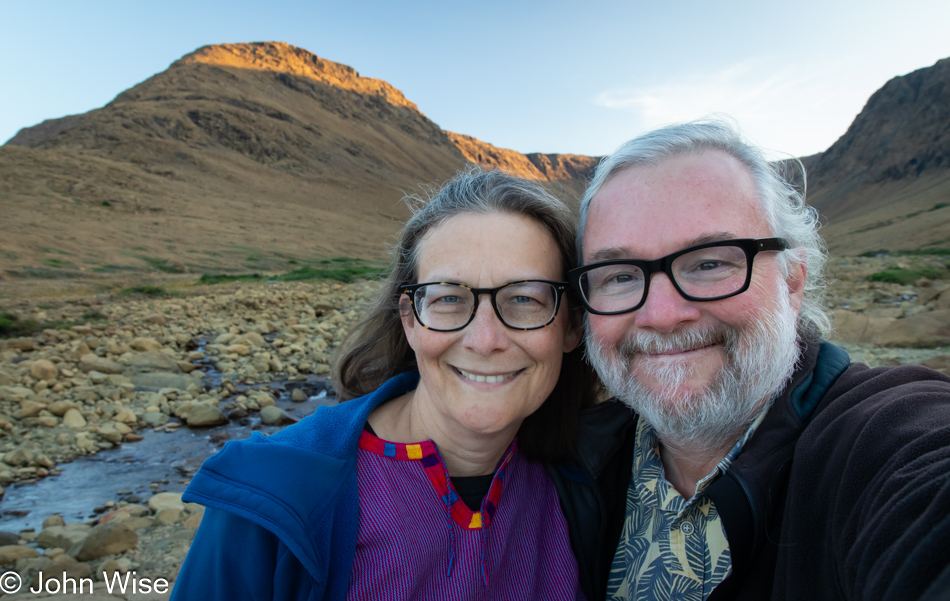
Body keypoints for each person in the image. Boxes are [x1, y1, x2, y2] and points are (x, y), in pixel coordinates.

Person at [552, 119, 950, 601]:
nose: (659, 316)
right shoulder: (571, 462)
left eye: (710, 263)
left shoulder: (882, 442)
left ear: (792, 281)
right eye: (619, 276)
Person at [170, 167, 598, 600]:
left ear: (570, 327)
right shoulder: (271, 498)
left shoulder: (601, 478)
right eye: (449, 298)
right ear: (409, 319)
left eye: (525, 299)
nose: (485, 340)